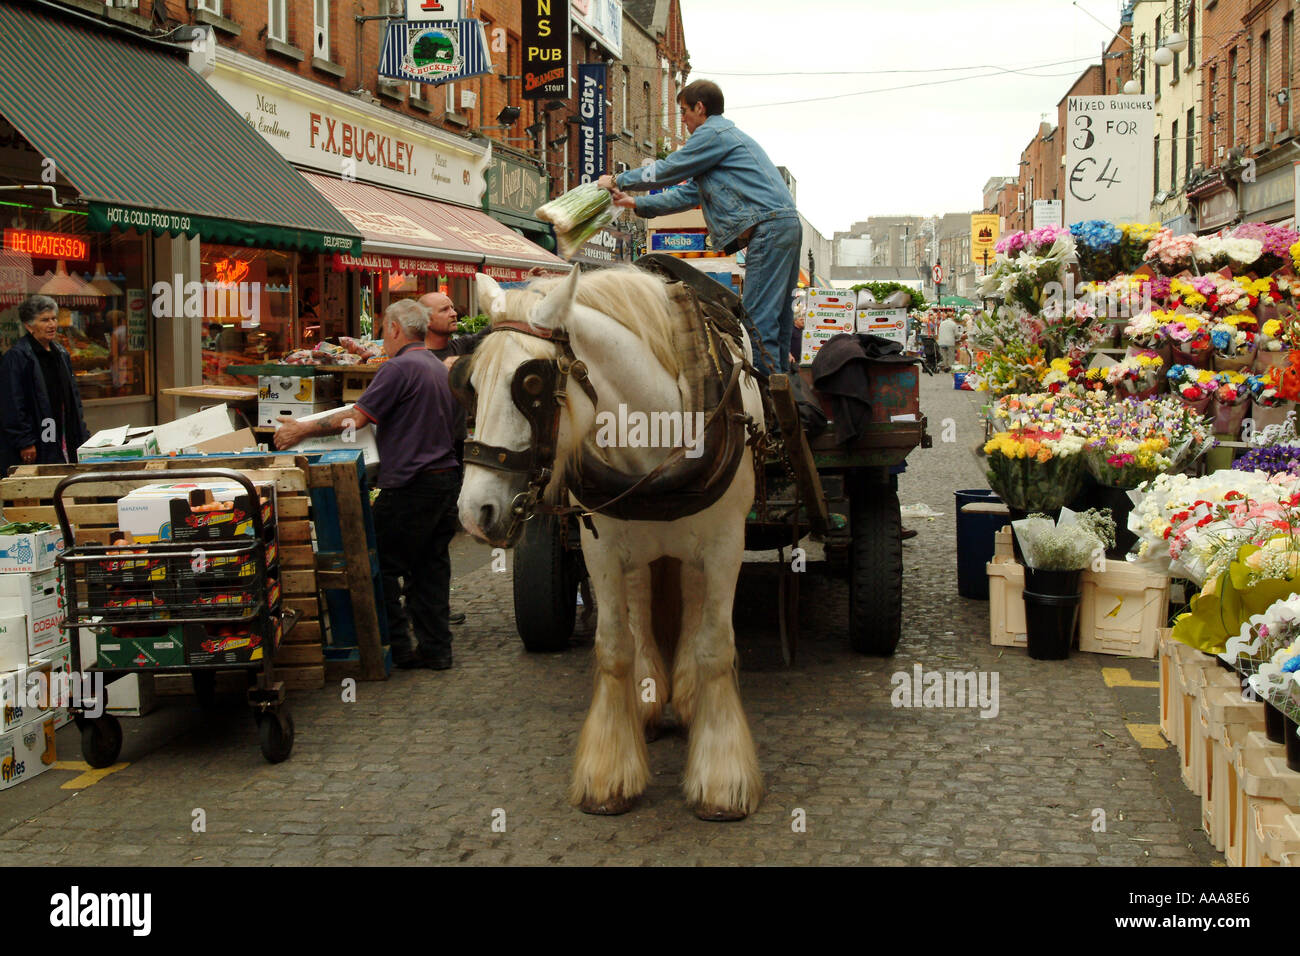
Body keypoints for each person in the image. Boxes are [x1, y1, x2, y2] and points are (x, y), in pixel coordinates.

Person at [274, 299, 462, 670]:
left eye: (383, 330)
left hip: (411, 485)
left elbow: (356, 419)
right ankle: (437, 649)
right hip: (444, 482)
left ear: (394, 329)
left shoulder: (399, 368)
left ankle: (397, 648)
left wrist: (302, 428)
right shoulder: (437, 368)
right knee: (430, 568)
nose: (382, 338)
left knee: (382, 563)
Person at [597, 79, 800, 379]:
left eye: (684, 111)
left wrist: (618, 180)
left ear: (700, 108)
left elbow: (669, 169)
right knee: (779, 320)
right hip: (784, 225)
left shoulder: (711, 134)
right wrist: (635, 205)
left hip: (769, 227)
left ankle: (766, 400)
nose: (683, 120)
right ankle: (783, 393)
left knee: (757, 323)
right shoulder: (721, 143)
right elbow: (688, 194)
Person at [0, 295, 89, 471]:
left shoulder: (61, 353)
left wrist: (82, 431)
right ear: (28, 325)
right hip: (36, 439)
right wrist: (24, 441)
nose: (52, 325)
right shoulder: (17, 357)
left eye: (54, 319)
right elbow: (12, 403)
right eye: (44, 320)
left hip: (61, 433)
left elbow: (73, 397)